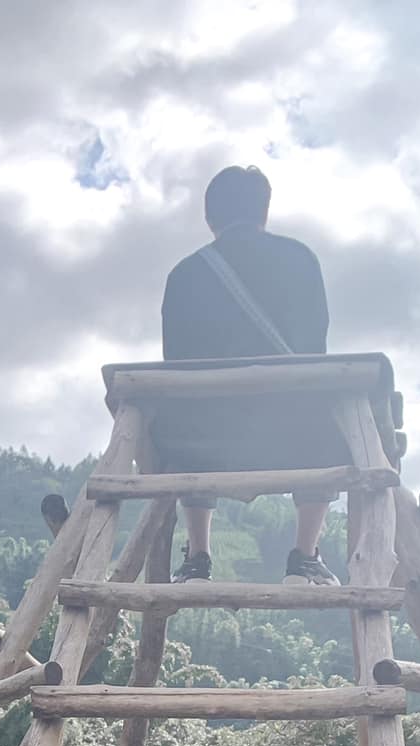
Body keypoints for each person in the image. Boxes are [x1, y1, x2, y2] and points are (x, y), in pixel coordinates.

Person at [159, 164, 341, 587]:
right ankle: (304, 557)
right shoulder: (300, 259)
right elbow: (314, 350)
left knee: (183, 409)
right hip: (293, 434)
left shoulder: (185, 274)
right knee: (327, 410)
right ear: (264, 211)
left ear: (210, 217)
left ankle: (198, 558)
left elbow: (176, 363)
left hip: (204, 439)